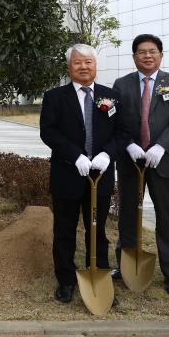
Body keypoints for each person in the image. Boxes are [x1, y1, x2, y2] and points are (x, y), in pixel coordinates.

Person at [40, 43, 121, 304]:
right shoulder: (55, 97)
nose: (84, 67)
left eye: (88, 62)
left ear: (96, 66)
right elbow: (49, 132)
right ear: (69, 66)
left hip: (101, 175)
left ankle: (99, 277)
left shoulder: (110, 96)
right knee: (64, 230)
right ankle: (65, 281)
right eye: (78, 62)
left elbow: (122, 132)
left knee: (97, 231)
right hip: (67, 173)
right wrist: (75, 155)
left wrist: (107, 153)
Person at [112, 34, 169, 297]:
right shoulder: (121, 85)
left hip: (164, 162)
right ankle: (124, 265)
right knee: (127, 215)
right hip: (130, 161)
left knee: (166, 218)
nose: (147, 55)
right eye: (142, 52)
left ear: (161, 55)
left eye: (152, 51)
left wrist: (161, 146)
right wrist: (130, 145)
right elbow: (117, 121)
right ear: (134, 57)